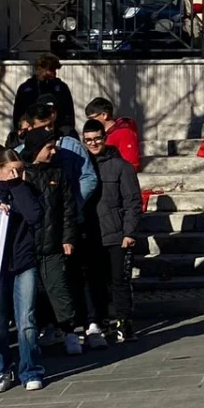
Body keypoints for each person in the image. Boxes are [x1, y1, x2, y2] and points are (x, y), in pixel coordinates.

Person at [0, 148, 47, 393]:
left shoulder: (27, 189)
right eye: (11, 170)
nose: (16, 173)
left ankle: (31, 369)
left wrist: (17, 186)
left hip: (23, 261)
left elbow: (36, 216)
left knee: (26, 319)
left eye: (20, 170)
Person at [20, 129, 81, 355]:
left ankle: (69, 331)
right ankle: (32, 336)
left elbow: (68, 208)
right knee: (30, 293)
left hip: (52, 242)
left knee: (58, 287)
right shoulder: (21, 172)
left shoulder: (58, 172)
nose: (53, 151)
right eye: (49, 148)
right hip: (26, 245)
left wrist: (67, 237)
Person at [81, 119, 141, 344]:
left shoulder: (121, 166)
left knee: (120, 281)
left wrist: (130, 232)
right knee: (94, 281)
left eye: (97, 138)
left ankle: (124, 323)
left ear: (104, 138)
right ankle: (99, 321)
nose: (93, 143)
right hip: (91, 235)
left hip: (117, 233)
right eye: (88, 140)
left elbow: (132, 201)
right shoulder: (82, 166)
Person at [13, 53, 77, 137]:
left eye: (55, 70)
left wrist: (64, 132)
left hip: (58, 133)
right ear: (40, 69)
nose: (54, 74)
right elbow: (18, 115)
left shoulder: (61, 88)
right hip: (32, 133)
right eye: (51, 70)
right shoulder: (26, 89)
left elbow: (68, 115)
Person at [84, 97, 142, 172]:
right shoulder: (101, 134)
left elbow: (131, 163)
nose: (90, 122)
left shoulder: (125, 132)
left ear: (104, 115)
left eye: (92, 118)